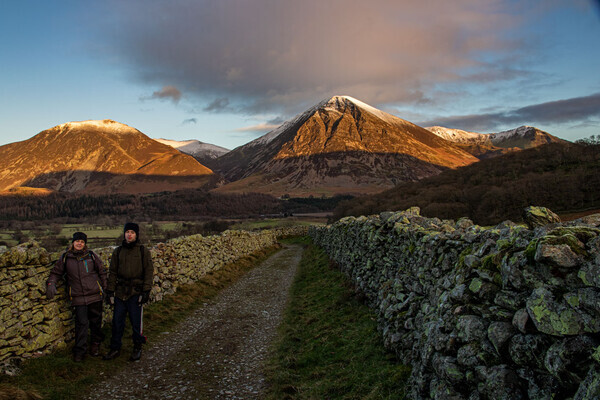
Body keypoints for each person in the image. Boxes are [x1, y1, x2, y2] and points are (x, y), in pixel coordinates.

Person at [46, 232, 107, 362]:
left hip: (95, 295)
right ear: (73, 243)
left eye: (82, 242)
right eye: (77, 241)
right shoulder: (66, 258)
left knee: (96, 322)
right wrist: (51, 284)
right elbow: (56, 273)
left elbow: (102, 271)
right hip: (78, 296)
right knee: (81, 324)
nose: (79, 243)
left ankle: (95, 344)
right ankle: (80, 351)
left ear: (85, 244)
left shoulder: (91, 256)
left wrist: (105, 288)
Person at [103, 222, 154, 362]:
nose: (129, 234)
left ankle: (137, 347)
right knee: (117, 322)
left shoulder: (143, 251)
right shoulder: (118, 251)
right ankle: (115, 348)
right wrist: (110, 292)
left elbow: (148, 271)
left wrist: (146, 291)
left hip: (135, 292)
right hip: (120, 292)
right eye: (127, 232)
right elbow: (112, 272)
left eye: (132, 232)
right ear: (124, 234)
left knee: (136, 322)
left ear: (136, 234)